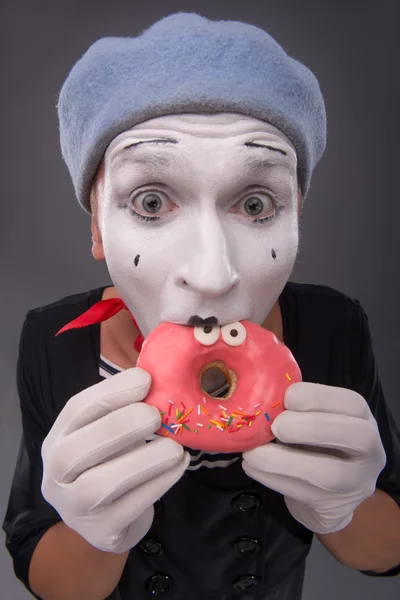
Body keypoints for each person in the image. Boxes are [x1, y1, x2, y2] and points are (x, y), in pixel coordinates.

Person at [2, 12, 400, 600]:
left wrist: (347, 506)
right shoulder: (51, 338)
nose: (213, 275)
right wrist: (94, 535)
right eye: (152, 200)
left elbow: (386, 554)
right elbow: (46, 573)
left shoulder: (333, 327)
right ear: (98, 227)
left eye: (258, 203)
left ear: (297, 221)